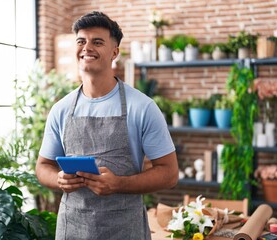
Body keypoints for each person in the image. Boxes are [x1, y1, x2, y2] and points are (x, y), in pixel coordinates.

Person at [35, 11, 178, 240]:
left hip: (123, 230)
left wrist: (119, 183)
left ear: (114, 52)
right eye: (81, 41)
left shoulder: (142, 107)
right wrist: (58, 179)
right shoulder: (61, 109)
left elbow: (169, 174)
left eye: (97, 42)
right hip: (72, 229)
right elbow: (43, 167)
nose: (87, 47)